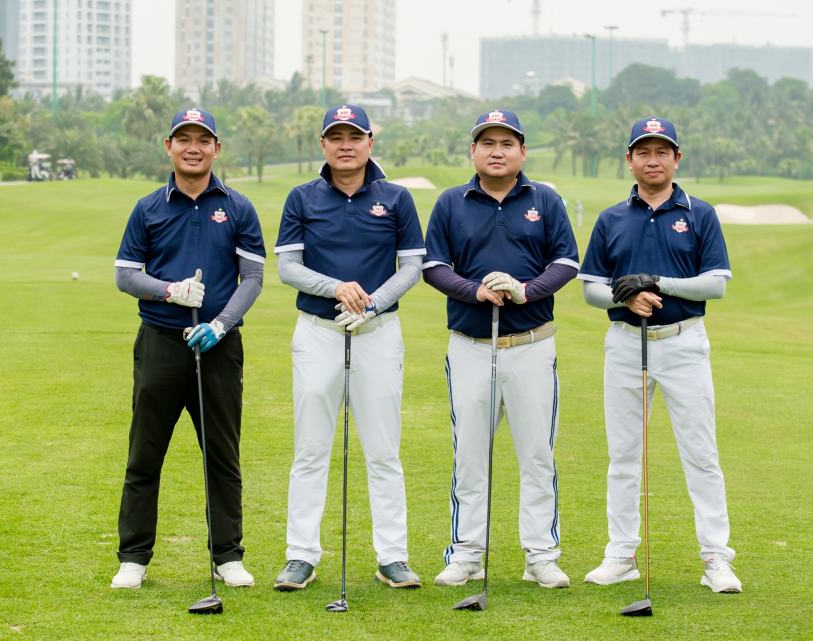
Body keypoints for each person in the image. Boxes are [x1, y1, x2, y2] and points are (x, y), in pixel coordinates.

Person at [577, 117, 741, 593]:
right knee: (623, 453)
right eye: (643, 152)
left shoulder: (700, 213)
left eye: (662, 152)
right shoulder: (611, 219)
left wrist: (655, 283)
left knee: (701, 453)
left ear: (677, 158)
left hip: (684, 342)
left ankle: (716, 557)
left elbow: (715, 284)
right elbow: (591, 289)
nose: (653, 160)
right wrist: (626, 298)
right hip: (627, 343)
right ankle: (621, 553)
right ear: (629, 160)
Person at [422, 109, 579, 589]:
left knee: (537, 454)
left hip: (531, 345)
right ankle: (468, 553)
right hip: (470, 345)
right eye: (487, 143)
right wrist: (474, 291)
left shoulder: (545, 200)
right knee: (470, 455)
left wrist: (526, 291)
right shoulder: (451, 202)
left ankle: (541, 556)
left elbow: (567, 261)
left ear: (522, 152)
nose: (497, 151)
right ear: (473, 151)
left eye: (507, 143)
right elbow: (433, 267)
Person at [110, 107, 265, 590]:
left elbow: (252, 278)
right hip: (160, 343)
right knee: (145, 453)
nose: (193, 148)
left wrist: (221, 324)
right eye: (184, 139)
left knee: (222, 455)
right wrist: (169, 291)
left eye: (202, 140)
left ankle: (227, 556)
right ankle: (134, 557)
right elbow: (125, 275)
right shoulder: (148, 208)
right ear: (169, 146)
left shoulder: (237, 207)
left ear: (216, 148)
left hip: (219, 347)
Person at [272, 104, 426, 591]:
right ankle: (301, 555)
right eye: (336, 137)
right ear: (323, 144)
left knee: (383, 450)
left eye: (354, 137)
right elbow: (288, 268)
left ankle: (393, 556)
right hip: (318, 332)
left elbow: (411, 267)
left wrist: (372, 304)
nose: (345, 145)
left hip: (377, 334)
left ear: (369, 143)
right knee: (311, 448)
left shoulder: (396, 198)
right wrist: (337, 288)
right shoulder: (302, 197)